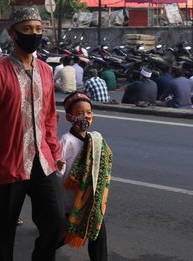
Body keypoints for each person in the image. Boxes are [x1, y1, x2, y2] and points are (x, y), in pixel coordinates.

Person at [0, 7, 65, 261]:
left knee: (57, 223)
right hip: (8, 165)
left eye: (39, 29)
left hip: (43, 162)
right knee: (4, 233)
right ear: (13, 33)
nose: (34, 34)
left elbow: (50, 117)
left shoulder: (46, 71)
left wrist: (54, 152)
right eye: (27, 29)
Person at [57, 92, 112, 261]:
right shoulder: (66, 141)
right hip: (71, 203)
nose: (86, 117)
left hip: (91, 201)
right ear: (69, 117)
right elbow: (58, 173)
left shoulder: (94, 139)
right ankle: (41, 251)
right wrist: (58, 166)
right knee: (61, 236)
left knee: (98, 235)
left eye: (88, 112)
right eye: (80, 113)